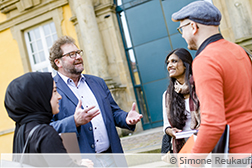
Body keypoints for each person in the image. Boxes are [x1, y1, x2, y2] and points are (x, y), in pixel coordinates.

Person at [171, 1, 252, 154]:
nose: (182, 35)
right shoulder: (239, 50)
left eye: (182, 29)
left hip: (236, 153)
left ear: (193, 27)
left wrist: (193, 161)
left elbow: (214, 124)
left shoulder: (205, 60)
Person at [49, 35, 143, 154]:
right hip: (82, 162)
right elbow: (47, 128)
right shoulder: (51, 89)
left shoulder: (97, 82)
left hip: (112, 156)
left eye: (78, 52)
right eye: (72, 54)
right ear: (58, 62)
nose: (78, 57)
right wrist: (74, 121)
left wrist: (126, 118)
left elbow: (113, 112)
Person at [4, 72, 93, 167]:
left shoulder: (22, 130)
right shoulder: (45, 133)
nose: (59, 96)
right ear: (39, 97)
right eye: (54, 91)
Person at [162, 48, 200, 153]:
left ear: (185, 64)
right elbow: (166, 126)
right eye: (168, 63)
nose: (169, 66)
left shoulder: (200, 87)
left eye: (174, 61)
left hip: (205, 142)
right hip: (184, 147)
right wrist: (171, 131)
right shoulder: (167, 96)